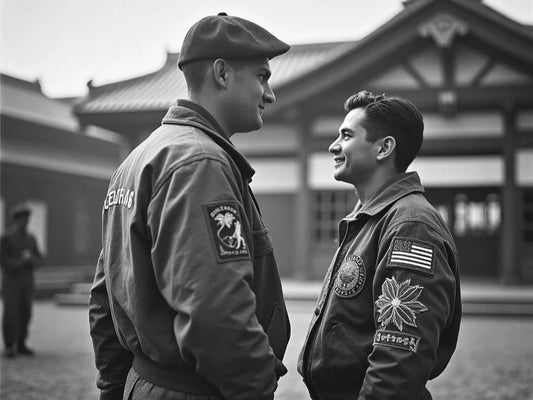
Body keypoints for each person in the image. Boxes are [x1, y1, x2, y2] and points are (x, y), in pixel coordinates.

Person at [88, 12, 291, 400]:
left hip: (145, 382)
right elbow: (216, 312)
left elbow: (105, 297)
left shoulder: (139, 159)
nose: (270, 94)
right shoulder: (201, 163)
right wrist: (256, 389)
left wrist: (114, 386)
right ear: (222, 73)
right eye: (262, 77)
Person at [298, 91, 461, 400]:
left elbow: (400, 358)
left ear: (384, 148)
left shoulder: (410, 226)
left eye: (346, 135)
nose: (334, 146)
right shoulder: (374, 217)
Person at [1, 203, 42, 358]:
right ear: (16, 220)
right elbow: (3, 261)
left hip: (27, 282)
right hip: (11, 283)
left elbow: (40, 258)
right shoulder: (7, 237)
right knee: (11, 313)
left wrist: (31, 259)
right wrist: (21, 261)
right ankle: (9, 345)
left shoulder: (31, 238)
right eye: (22, 219)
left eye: (27, 219)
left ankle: (21, 342)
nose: (25, 222)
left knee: (26, 312)